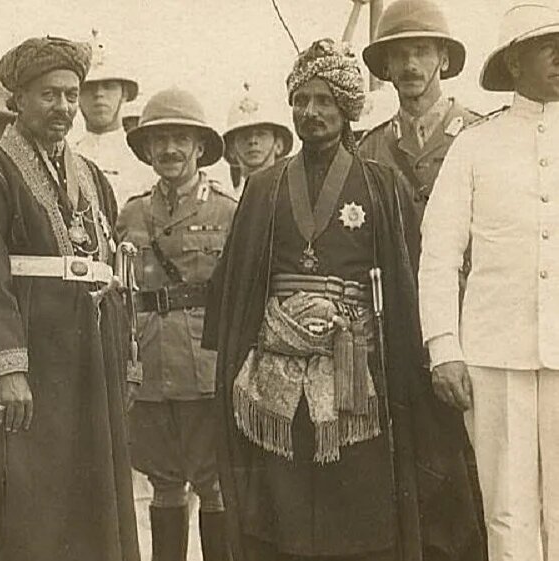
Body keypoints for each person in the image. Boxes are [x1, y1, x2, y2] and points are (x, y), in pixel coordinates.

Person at [203, 38, 485, 560]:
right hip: (277, 363)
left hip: (357, 365)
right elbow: (238, 282)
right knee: (281, 493)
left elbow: (406, 279)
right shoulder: (263, 187)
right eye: (302, 100)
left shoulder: (380, 184)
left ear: (348, 108)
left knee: (357, 496)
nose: (311, 112)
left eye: (325, 101)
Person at [0, 35, 139, 561]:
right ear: (18, 100)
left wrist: (124, 356)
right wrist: (8, 370)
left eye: (71, 95)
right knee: (30, 497)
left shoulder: (93, 176)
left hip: (90, 357)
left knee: (90, 492)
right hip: (31, 360)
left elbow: (111, 268)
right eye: (48, 95)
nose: (62, 107)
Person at [419, 4, 559, 560]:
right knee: (507, 512)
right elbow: (439, 253)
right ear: (514, 62)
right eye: (547, 46)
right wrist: (443, 348)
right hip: (495, 356)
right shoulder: (476, 145)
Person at [118, 87, 236, 561]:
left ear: (200, 147)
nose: (169, 149)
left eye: (180, 139)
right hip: (149, 364)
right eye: (159, 139)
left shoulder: (226, 210)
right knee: (164, 480)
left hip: (204, 364)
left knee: (213, 481)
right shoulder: (132, 213)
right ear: (146, 148)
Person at [358, 0, 480, 219]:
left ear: (443, 60)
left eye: (422, 51)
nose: (410, 65)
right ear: (386, 66)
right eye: (398, 54)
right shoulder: (370, 149)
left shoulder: (478, 135)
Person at [73, 42, 150, 207]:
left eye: (108, 87)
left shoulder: (143, 160)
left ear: (124, 94)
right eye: (89, 87)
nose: (98, 94)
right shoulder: (65, 158)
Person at [222, 84, 294, 195]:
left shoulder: (293, 196)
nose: (253, 141)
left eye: (261, 134)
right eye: (244, 136)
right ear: (231, 149)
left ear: (278, 144)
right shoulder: (227, 203)